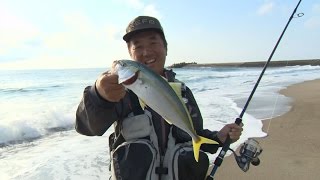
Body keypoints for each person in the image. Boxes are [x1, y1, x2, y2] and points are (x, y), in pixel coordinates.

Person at [75, 15, 243, 180]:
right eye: (138, 46)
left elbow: (193, 133)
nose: (146, 52)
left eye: (153, 42)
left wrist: (217, 138)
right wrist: (98, 95)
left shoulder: (183, 92)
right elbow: (87, 127)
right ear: (130, 52)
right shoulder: (118, 92)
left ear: (165, 48)